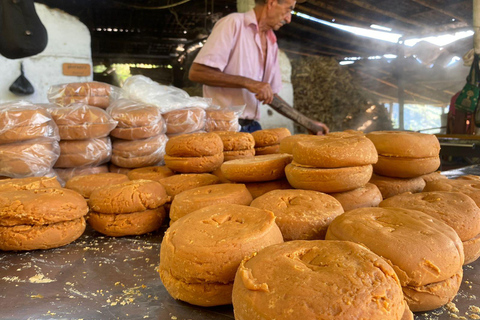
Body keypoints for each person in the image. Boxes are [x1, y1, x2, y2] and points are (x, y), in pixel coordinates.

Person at [189, 0, 329, 134]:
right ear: (271, 2)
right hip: (223, 125)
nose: (288, 19)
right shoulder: (233, 23)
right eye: (289, 9)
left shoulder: (272, 43)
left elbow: (271, 95)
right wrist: (248, 82)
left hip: (253, 126)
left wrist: (308, 123)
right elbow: (197, 72)